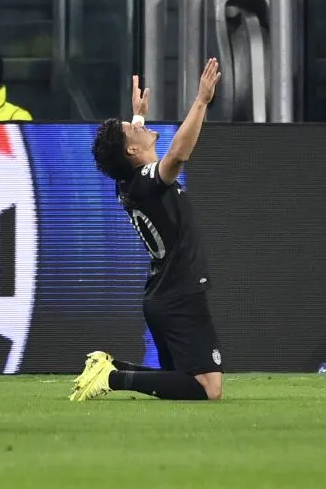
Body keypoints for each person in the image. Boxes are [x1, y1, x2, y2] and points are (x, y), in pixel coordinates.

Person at [72, 61, 224, 402]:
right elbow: (178, 156)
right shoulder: (144, 183)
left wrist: (137, 119)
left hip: (164, 294)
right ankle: (113, 377)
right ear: (132, 151)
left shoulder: (129, 182)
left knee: (180, 382)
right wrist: (201, 101)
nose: (139, 125)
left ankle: (109, 368)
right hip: (179, 293)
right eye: (133, 128)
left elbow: (137, 154)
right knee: (207, 389)